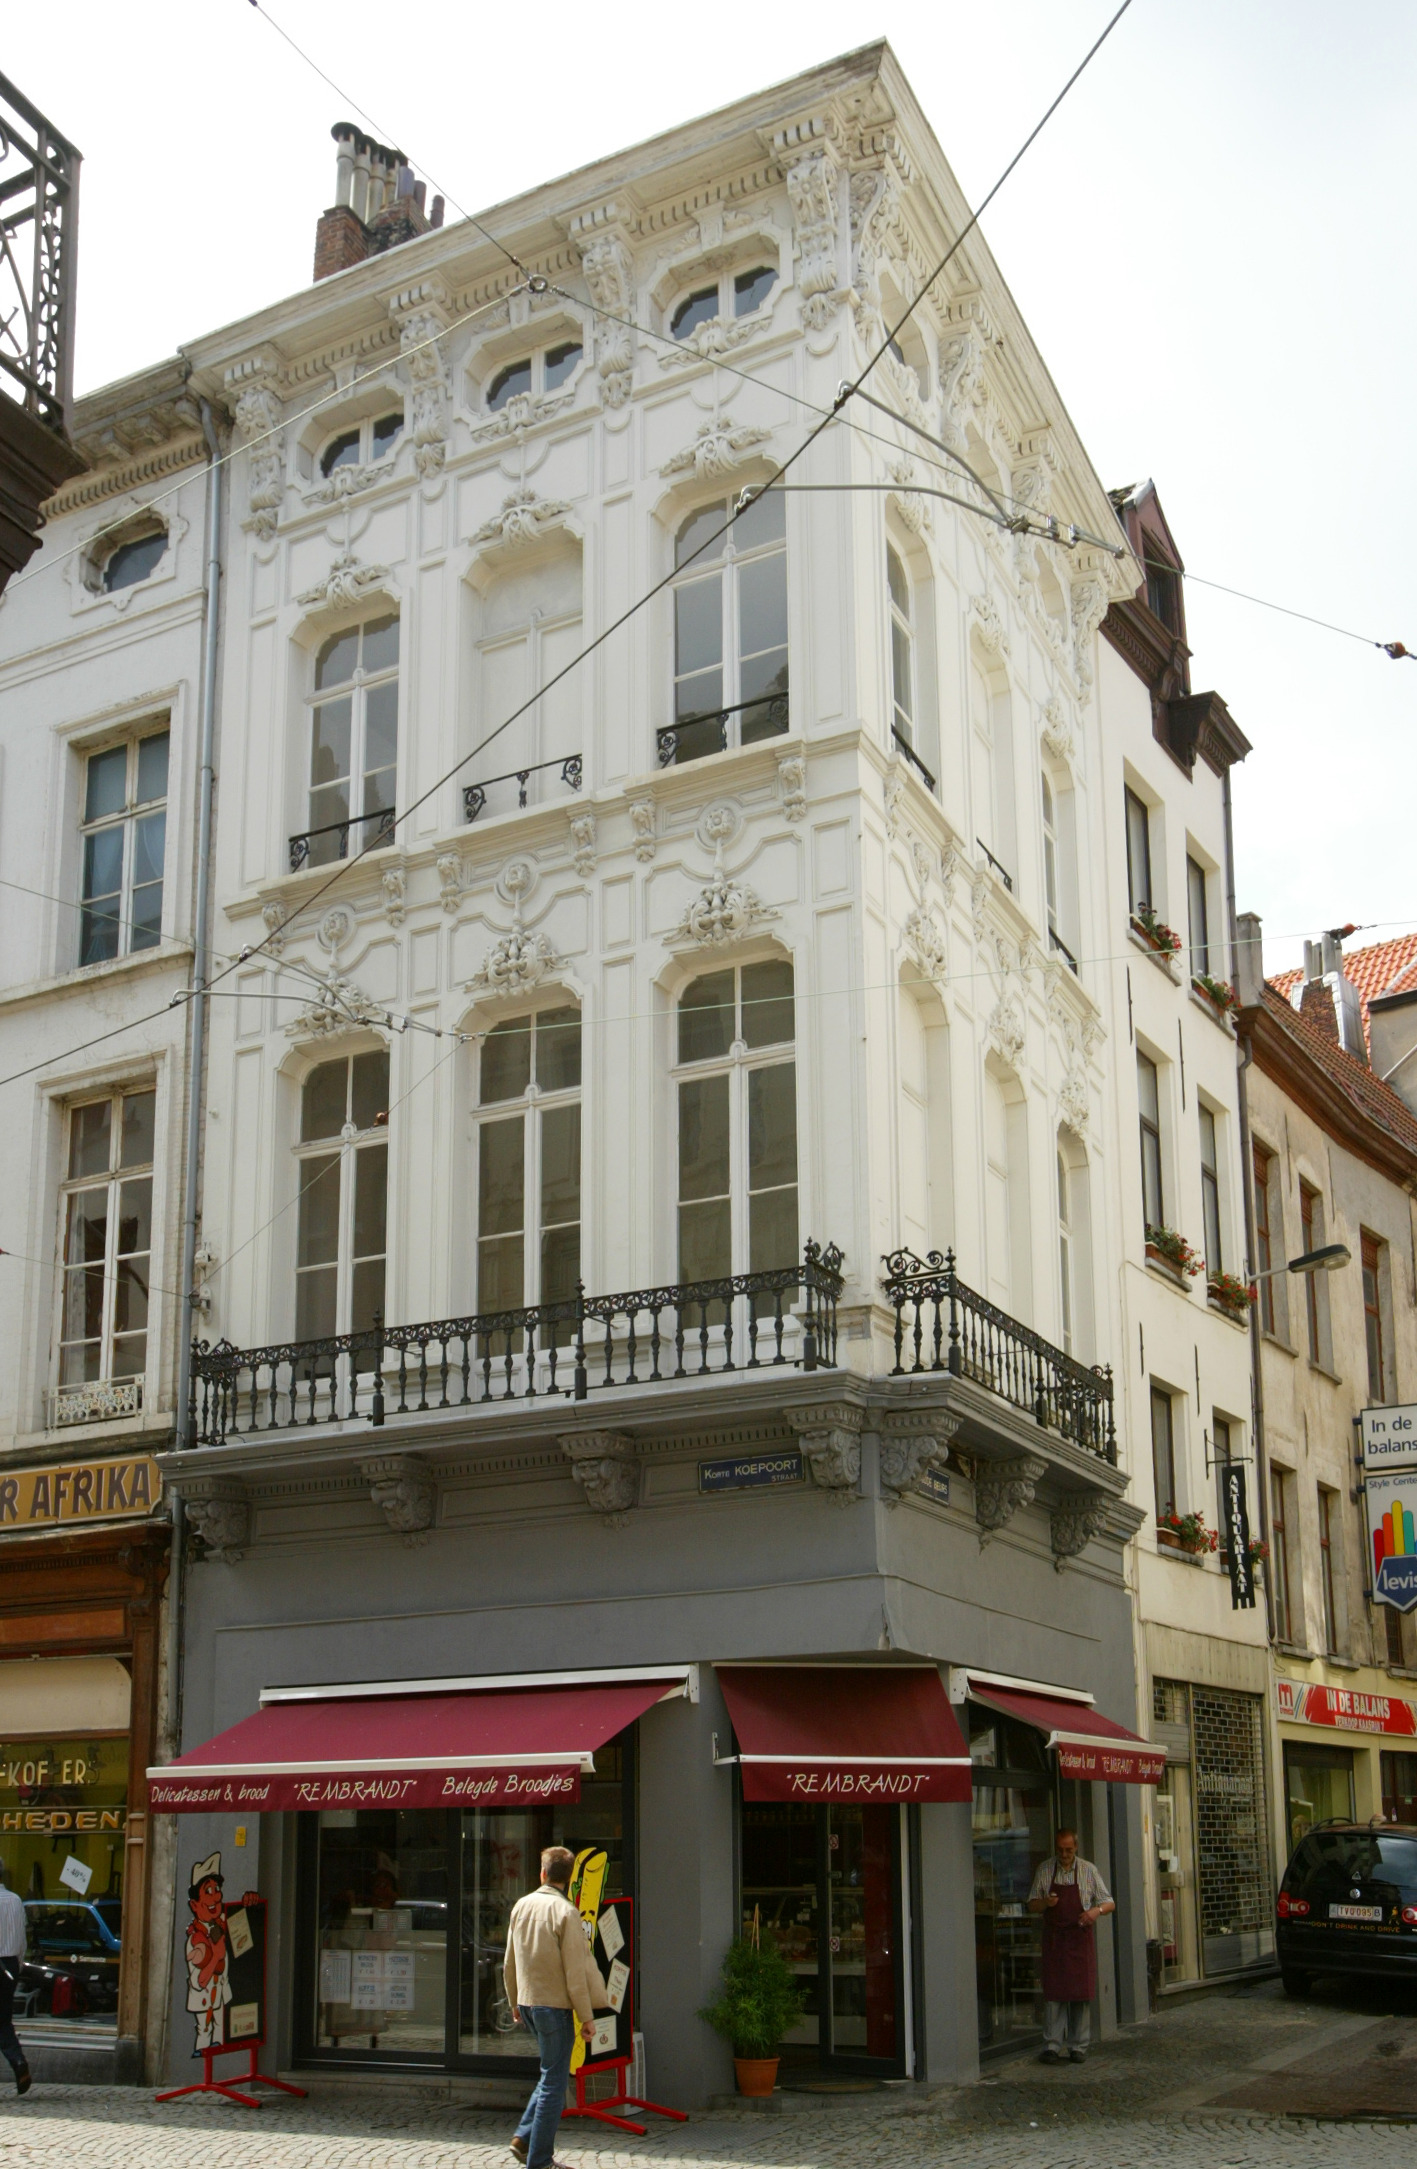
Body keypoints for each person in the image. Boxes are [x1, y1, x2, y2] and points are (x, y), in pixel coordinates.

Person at [503, 1846, 608, 2169]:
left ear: (543, 1873)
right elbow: (575, 1973)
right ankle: (540, 2160)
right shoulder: (566, 1912)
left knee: (550, 2074)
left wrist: (514, 2001)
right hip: (554, 2006)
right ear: (571, 1877)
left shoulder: (521, 1905)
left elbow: (509, 1962)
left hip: (529, 2002)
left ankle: (523, 2139)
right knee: (554, 2082)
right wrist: (587, 2017)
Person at [1028, 1826, 1115, 2064]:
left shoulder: (1088, 1870)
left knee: (1080, 1995)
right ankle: (1052, 2046)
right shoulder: (1045, 1870)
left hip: (1079, 1940)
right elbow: (1032, 1904)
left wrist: (1095, 1911)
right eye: (1060, 1850)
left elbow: (1109, 1902)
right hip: (1055, 1941)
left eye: (1068, 1850)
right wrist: (1046, 1903)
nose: (1064, 1855)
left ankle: (1078, 2046)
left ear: (1076, 1847)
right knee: (1054, 1995)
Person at [0, 1859, 32, 2095]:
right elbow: (22, 1939)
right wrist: (17, 1966)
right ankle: (18, 2061)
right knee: (3, 2018)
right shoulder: (14, 1900)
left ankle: (18, 2061)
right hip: (9, 1962)